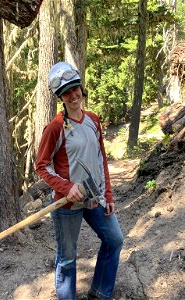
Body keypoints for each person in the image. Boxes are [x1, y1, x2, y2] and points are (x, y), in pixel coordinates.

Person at [36, 61, 124, 300]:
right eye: (66, 92)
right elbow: (41, 166)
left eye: (75, 88)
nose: (73, 95)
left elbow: (100, 159)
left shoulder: (93, 120)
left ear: (81, 88)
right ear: (60, 97)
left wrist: (108, 195)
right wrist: (67, 187)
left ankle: (99, 293)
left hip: (94, 198)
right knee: (67, 259)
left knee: (115, 240)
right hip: (66, 204)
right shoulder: (54, 128)